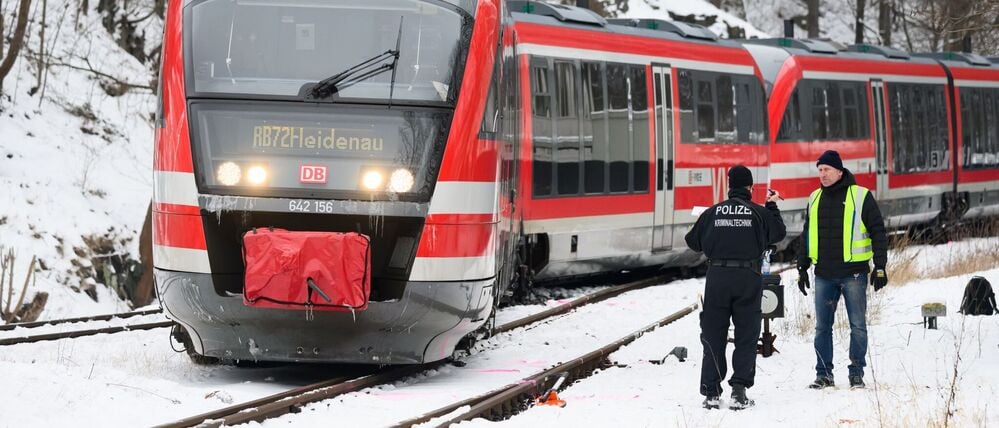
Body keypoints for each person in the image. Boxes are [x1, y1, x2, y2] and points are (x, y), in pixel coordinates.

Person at [685, 165, 786, 410]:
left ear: (729, 187)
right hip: (747, 277)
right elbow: (779, 233)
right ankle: (739, 391)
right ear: (750, 188)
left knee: (713, 334)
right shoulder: (758, 212)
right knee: (746, 335)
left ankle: (711, 392)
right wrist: (771, 205)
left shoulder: (713, 212)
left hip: (717, 278)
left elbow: (692, 242)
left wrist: (711, 227)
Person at [796, 150, 888, 390]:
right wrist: (802, 266)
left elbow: (878, 231)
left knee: (857, 325)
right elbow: (807, 234)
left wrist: (880, 266)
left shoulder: (860, 196)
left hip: (854, 274)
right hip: (824, 274)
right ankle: (824, 374)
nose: (822, 174)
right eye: (819, 170)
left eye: (826, 169)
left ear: (839, 171)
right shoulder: (814, 198)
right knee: (821, 328)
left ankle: (856, 373)